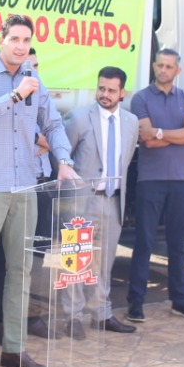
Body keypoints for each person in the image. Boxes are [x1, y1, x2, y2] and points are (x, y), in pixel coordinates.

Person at [0, 14, 75, 367]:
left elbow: (53, 124)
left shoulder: (34, 79)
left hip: (26, 186)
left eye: (26, 40)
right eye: (15, 39)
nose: (21, 46)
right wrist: (13, 95)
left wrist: (65, 161)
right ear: (1, 39)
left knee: (21, 271)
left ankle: (14, 348)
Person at [58, 66, 139, 335]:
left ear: (122, 92)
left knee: (104, 262)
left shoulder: (131, 122)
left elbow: (124, 163)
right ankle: (72, 317)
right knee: (76, 260)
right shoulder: (79, 118)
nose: (105, 94)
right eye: (101, 88)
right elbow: (61, 159)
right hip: (82, 201)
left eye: (111, 90)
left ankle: (101, 314)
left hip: (112, 201)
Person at [127, 49, 184, 322]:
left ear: (177, 71)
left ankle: (180, 301)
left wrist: (160, 132)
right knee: (144, 242)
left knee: (177, 245)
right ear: (153, 66)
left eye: (169, 66)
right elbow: (146, 140)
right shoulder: (142, 98)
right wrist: (173, 135)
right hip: (151, 180)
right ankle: (136, 302)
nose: (164, 70)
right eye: (160, 65)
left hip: (182, 180)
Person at [0, 48, 54, 344]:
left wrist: (46, 140)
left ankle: (32, 315)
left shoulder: (43, 99)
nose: (34, 72)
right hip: (13, 188)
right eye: (28, 67)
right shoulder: (6, 101)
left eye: (37, 66)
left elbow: (57, 132)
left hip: (41, 184)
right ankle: (1, 322)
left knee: (37, 255)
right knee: (6, 259)